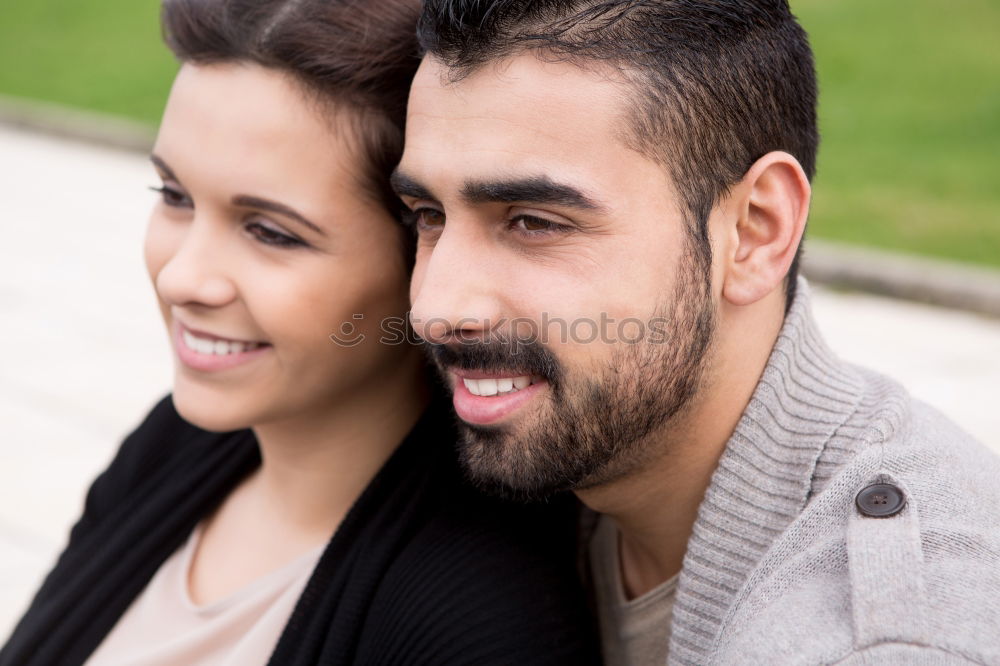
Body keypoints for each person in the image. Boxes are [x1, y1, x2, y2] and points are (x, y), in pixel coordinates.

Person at [393, 0, 1000, 664]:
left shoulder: (879, 640)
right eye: (427, 214)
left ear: (754, 232)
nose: (435, 307)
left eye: (534, 221)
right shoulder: (574, 464)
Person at [0, 1, 600, 664]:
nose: (182, 279)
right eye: (173, 196)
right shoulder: (175, 444)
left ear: (426, 255)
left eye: (271, 232)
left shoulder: (475, 627)